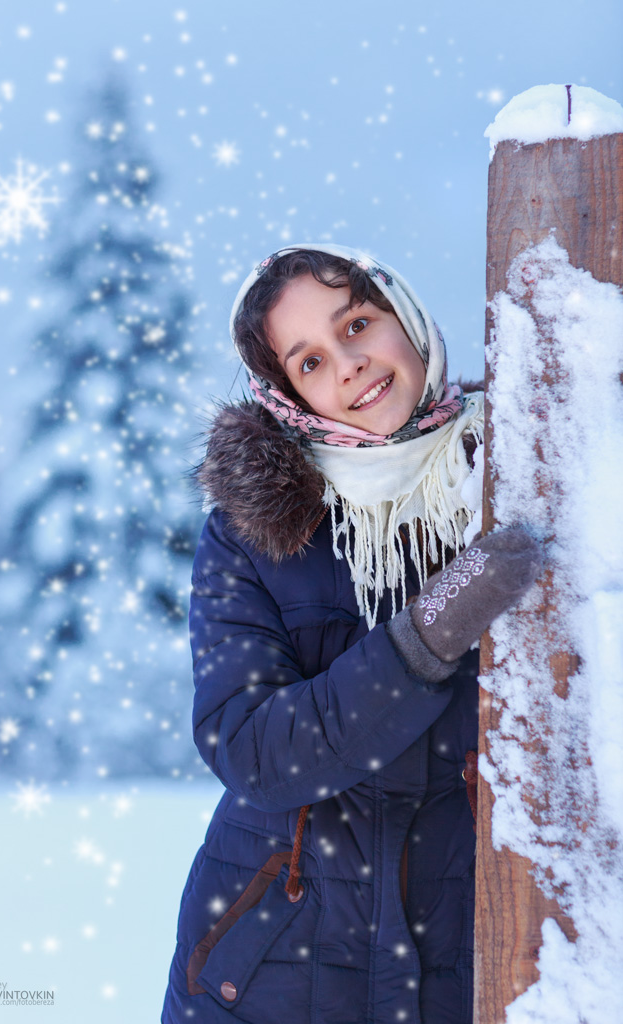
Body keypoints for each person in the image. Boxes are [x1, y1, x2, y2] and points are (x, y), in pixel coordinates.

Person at [160, 243, 542, 1024]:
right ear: (285, 393)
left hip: (470, 948)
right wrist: (428, 637)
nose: (348, 365)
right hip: (272, 962)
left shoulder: (514, 481)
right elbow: (252, 750)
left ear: (404, 316)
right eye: (308, 361)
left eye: (358, 323)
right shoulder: (251, 535)